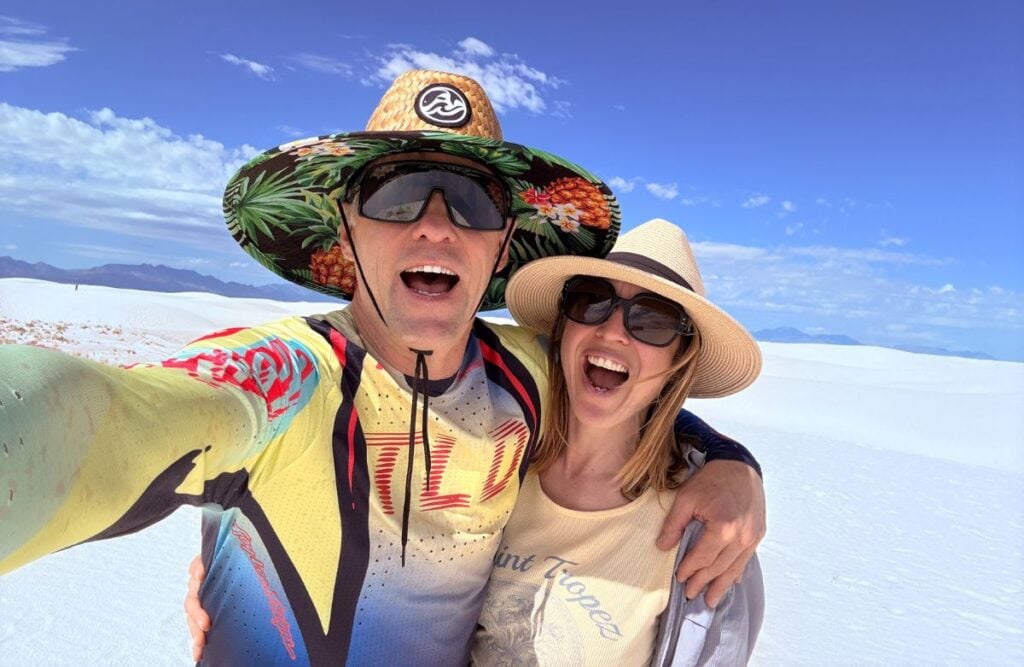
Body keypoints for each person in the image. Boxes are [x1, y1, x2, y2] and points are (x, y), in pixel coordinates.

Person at [0, 71, 764, 665]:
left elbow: (635, 394)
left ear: (501, 245)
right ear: (347, 226)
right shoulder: (283, 376)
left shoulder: (530, 373)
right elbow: (103, 415)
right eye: (396, 195)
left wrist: (732, 463)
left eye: (472, 201)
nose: (435, 224)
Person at [473, 219, 763, 665]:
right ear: (562, 329)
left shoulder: (709, 533)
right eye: (591, 301)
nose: (612, 331)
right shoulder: (493, 462)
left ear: (677, 359)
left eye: (653, 319)